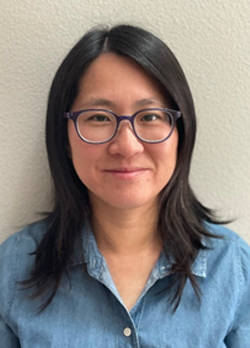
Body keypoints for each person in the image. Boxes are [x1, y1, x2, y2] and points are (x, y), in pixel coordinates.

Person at [0, 24, 249, 348]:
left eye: (150, 116)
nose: (127, 146)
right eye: (100, 118)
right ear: (64, 137)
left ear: (180, 133)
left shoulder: (232, 267)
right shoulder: (14, 266)